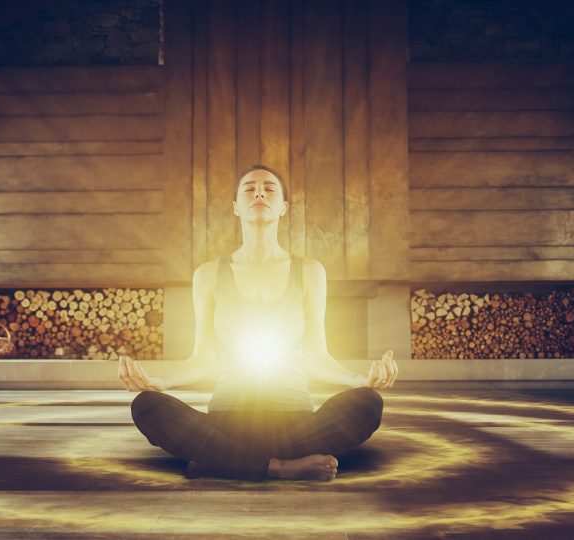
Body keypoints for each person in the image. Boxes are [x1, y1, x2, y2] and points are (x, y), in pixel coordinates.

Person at [118, 165, 398, 481]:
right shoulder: (209, 274)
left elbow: (316, 356)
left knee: (367, 404)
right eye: (250, 188)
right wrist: (162, 384)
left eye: (270, 188)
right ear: (236, 207)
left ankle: (224, 460)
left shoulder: (309, 271)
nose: (260, 193)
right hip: (227, 419)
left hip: (296, 422)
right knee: (147, 406)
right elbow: (204, 358)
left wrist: (358, 379)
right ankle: (280, 466)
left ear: (284, 208)